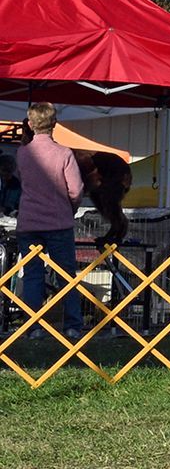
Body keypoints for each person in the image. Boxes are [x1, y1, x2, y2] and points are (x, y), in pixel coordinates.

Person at [15, 104, 85, 338]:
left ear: (31, 124)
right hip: (59, 223)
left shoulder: (22, 154)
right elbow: (75, 189)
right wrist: (69, 209)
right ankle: (72, 325)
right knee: (66, 275)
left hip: (29, 223)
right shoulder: (64, 153)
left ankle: (33, 327)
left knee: (33, 274)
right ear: (55, 123)